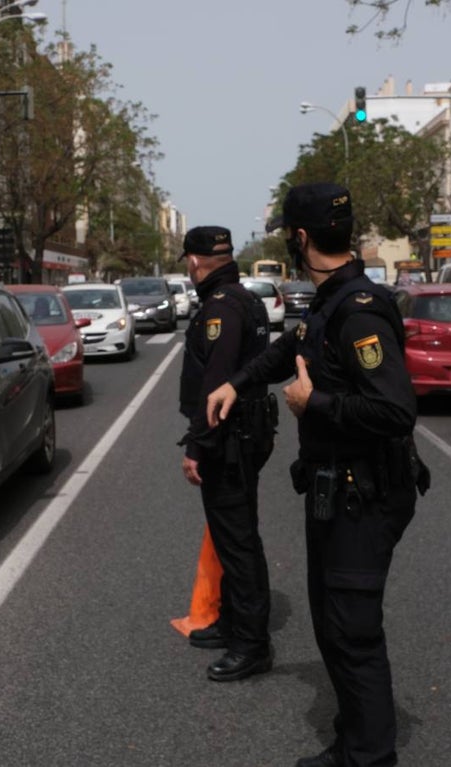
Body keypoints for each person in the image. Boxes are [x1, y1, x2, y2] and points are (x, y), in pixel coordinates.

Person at [208, 182, 428, 767]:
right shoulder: (329, 302)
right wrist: (237, 382)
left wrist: (316, 406)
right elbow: (290, 348)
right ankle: (353, 741)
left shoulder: (358, 313)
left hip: (367, 493)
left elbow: (396, 411)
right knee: (331, 624)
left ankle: (370, 758)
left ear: (299, 238)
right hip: (338, 490)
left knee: (353, 632)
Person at [177, 225, 277, 682]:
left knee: (238, 542)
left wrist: (197, 446)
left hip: (230, 439)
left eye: (188, 262)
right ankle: (232, 622)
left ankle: (251, 645)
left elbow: (215, 385)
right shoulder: (246, 297)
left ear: (195, 262)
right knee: (235, 534)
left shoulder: (220, 309)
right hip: (247, 433)